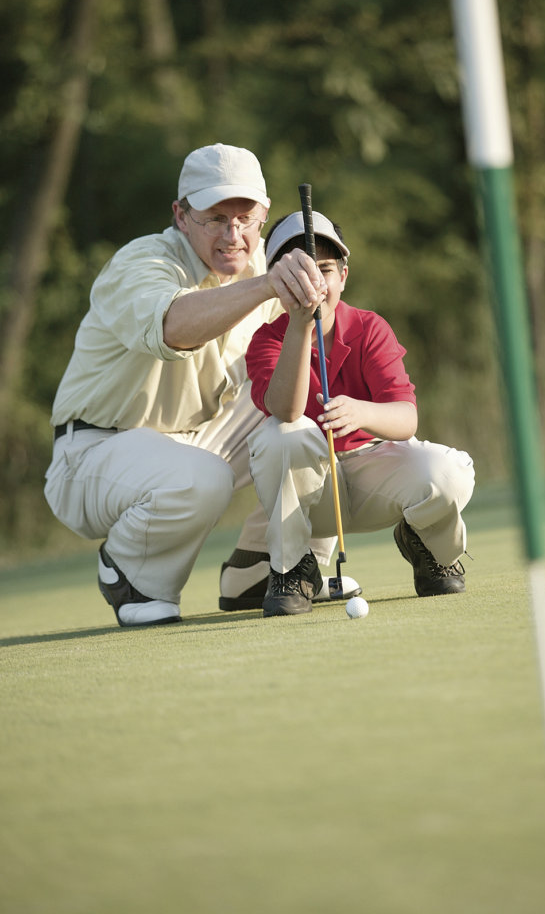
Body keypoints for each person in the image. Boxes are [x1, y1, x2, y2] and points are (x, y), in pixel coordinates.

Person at [44, 144, 336, 627]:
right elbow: (174, 326)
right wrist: (266, 286)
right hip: (92, 456)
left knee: (314, 413)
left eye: (246, 219)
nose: (233, 234)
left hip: (198, 438)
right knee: (201, 478)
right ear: (181, 216)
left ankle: (267, 566)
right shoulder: (141, 262)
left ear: (264, 216)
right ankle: (131, 574)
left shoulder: (266, 261)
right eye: (215, 218)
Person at [244, 210, 476, 617]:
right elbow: (285, 409)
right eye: (298, 273)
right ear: (277, 283)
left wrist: (360, 411)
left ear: (343, 276)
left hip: (373, 473)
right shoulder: (266, 340)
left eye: (325, 270)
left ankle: (426, 540)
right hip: (309, 494)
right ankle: (293, 569)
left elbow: (406, 420)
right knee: (280, 434)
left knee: (448, 472)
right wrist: (299, 325)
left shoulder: (369, 327)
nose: (314, 282)